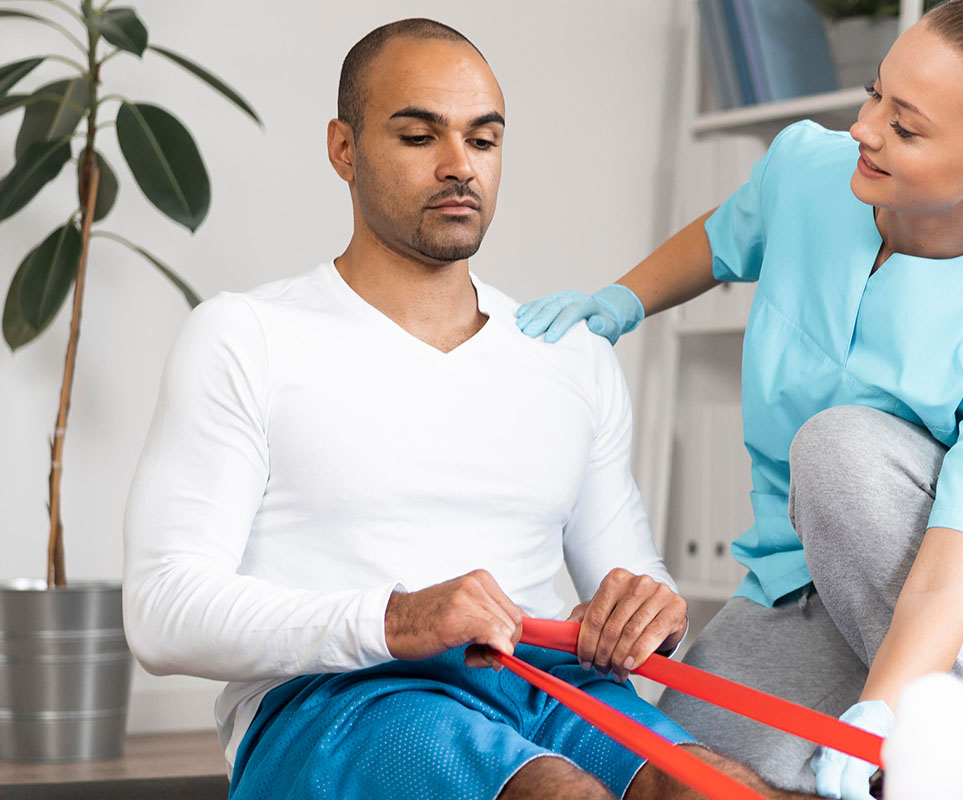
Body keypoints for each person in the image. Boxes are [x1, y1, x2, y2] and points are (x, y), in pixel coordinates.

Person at [122, 17, 840, 800]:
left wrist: (648, 608)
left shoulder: (569, 353)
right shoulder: (245, 336)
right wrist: (396, 619)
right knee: (557, 794)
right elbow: (162, 612)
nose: (459, 165)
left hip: (545, 683)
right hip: (336, 698)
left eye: (483, 139)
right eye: (418, 136)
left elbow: (627, 573)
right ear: (344, 149)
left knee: (715, 789)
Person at [516, 1, 963, 797]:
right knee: (679, 754)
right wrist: (621, 301)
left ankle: (948, 726)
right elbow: (723, 236)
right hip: (806, 574)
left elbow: (954, 562)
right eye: (874, 92)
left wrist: (888, 714)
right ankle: (954, 731)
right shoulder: (809, 170)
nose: (865, 128)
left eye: (905, 127)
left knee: (838, 446)